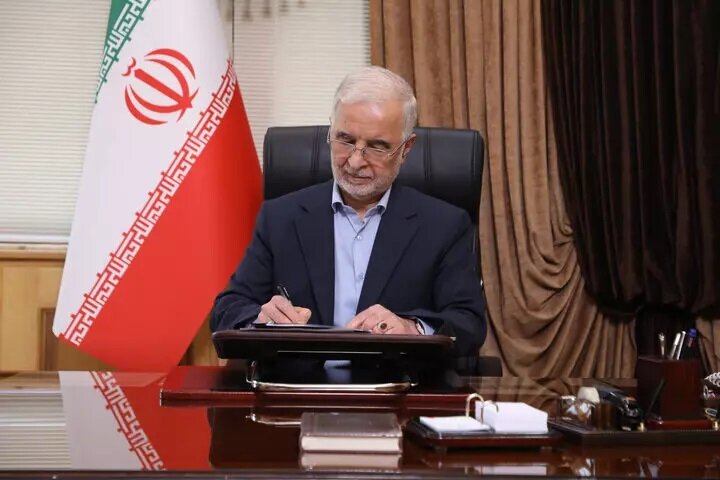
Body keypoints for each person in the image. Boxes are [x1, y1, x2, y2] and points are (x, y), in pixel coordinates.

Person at [211, 66, 486, 359]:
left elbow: (468, 323)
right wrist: (262, 318)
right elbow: (227, 311)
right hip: (299, 384)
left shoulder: (444, 225)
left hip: (395, 383)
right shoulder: (280, 218)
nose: (355, 161)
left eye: (377, 147)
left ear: (406, 149)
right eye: (345, 140)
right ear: (331, 130)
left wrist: (413, 329)